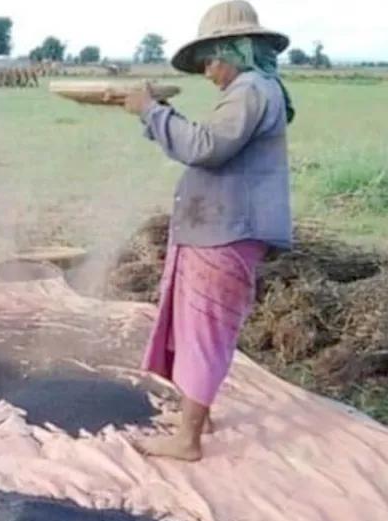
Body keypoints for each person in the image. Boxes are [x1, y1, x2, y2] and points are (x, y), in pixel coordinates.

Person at [123, 0, 295, 462]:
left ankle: (187, 440)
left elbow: (206, 147)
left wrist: (152, 111)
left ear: (236, 50)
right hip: (216, 228)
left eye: (211, 59)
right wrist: (152, 115)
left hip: (225, 231)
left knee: (204, 331)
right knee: (199, 327)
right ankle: (196, 416)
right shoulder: (257, 89)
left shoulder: (251, 90)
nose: (207, 71)